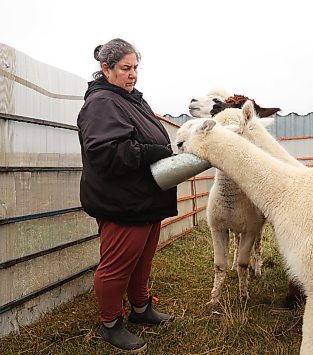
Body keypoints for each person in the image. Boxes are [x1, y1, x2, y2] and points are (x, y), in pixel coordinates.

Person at [77, 38, 177, 352]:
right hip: (123, 202)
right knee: (117, 266)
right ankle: (110, 323)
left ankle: (140, 307)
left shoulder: (130, 98)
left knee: (142, 262)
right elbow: (107, 153)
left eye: (135, 68)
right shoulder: (102, 102)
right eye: (125, 68)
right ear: (106, 68)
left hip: (144, 199)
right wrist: (155, 152)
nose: (133, 74)